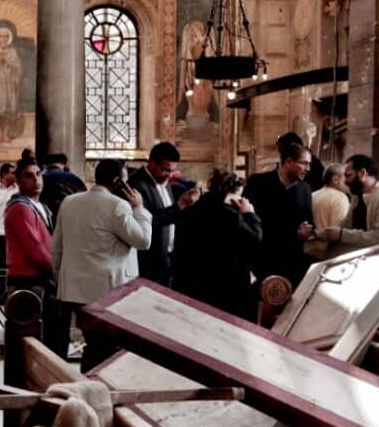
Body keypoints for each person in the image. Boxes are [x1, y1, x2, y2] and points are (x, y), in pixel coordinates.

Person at [53, 159, 151, 370]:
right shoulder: (118, 205)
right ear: (118, 182)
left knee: (94, 343)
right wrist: (139, 208)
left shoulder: (69, 202)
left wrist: (58, 278)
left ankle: (88, 382)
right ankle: (98, 386)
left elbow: (57, 246)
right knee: (105, 347)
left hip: (75, 290)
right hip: (107, 290)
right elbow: (143, 241)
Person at [173, 170, 263, 321]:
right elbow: (255, 240)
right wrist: (249, 214)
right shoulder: (231, 217)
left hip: (195, 288)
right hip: (227, 292)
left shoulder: (193, 210)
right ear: (231, 196)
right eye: (239, 196)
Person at [5, 157, 64, 353]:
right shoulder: (20, 208)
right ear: (19, 181)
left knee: (48, 337)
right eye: (29, 176)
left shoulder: (41, 207)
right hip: (28, 281)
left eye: (38, 174)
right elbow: (35, 251)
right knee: (30, 342)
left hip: (41, 278)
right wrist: (58, 271)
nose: (36, 180)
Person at [128, 142, 200, 287]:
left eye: (172, 171)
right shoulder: (136, 184)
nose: (169, 175)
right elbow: (146, 220)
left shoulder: (163, 180)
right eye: (165, 170)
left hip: (166, 258)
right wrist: (180, 205)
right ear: (152, 162)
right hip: (149, 261)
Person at [243, 141, 315, 286]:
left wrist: (306, 230)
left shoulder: (305, 188)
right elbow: (247, 221)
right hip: (262, 262)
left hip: (292, 263)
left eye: (309, 164)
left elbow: (308, 220)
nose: (308, 168)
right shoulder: (258, 183)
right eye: (304, 163)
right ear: (288, 161)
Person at [321, 154, 379, 249]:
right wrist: (319, 233)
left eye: (348, 175)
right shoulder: (357, 196)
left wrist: (342, 235)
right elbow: (346, 224)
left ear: (362, 173)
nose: (345, 181)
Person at [39, 153, 87, 223]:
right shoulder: (73, 178)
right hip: (68, 220)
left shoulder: (38, 178)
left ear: (46, 164)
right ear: (66, 164)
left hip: (42, 220)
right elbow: (84, 200)